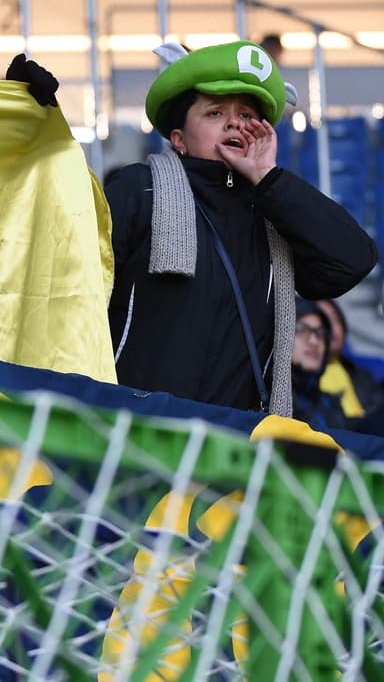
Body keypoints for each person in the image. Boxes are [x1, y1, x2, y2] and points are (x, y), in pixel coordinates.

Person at [106, 40, 376, 416]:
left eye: (247, 115)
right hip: (135, 433)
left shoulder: (273, 213)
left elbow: (352, 260)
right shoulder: (139, 188)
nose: (235, 123)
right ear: (179, 139)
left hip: (235, 451)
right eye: (215, 113)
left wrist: (269, 179)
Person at [315, 298, 384, 419]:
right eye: (323, 320)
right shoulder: (298, 383)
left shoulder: (363, 376)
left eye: (335, 319)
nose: (331, 327)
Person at [290, 299, 350, 432]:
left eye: (321, 333)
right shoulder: (267, 400)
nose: (314, 341)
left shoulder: (331, 404)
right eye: (300, 329)